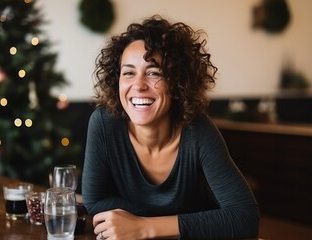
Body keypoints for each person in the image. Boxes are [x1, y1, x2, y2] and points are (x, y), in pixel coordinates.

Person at [82, 15, 260, 240]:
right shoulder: (103, 124)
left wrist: (144, 227)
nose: (138, 85)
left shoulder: (198, 130)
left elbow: (245, 217)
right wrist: (146, 223)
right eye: (128, 73)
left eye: (154, 72)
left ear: (177, 82)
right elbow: (95, 200)